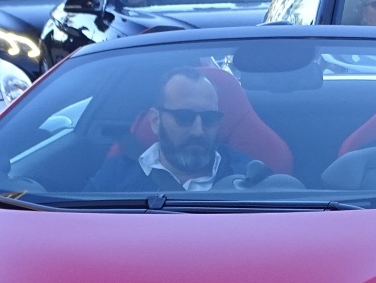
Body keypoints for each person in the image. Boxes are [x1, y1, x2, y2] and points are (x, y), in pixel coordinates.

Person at [86, 68, 257, 191]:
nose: (198, 131)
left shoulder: (249, 178)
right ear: (155, 120)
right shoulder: (115, 176)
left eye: (209, 118)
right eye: (184, 117)